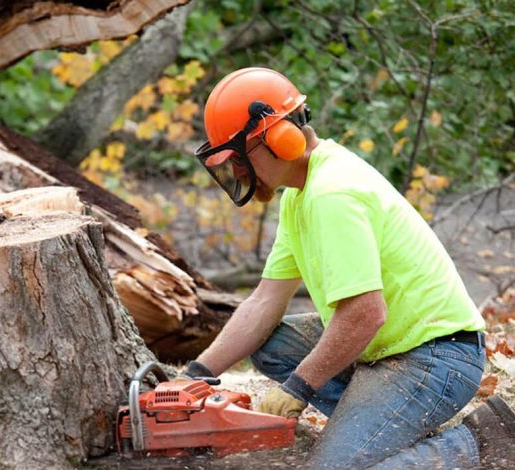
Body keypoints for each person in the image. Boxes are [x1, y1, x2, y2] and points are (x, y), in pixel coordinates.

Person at [185, 67, 515, 468]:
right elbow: (264, 301)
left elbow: (364, 313)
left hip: (436, 356)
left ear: (277, 138)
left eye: (239, 159)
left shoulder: (332, 193)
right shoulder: (300, 191)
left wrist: (299, 387)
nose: (237, 172)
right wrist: (195, 375)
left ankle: (478, 441)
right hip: (388, 346)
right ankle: (380, 424)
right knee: (270, 345)